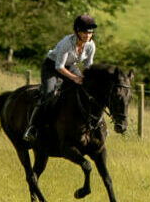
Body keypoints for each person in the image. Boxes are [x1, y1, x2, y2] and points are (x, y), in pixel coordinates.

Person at [24, 13, 97, 143]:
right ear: (77, 31)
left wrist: (89, 80)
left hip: (70, 67)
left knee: (86, 91)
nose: (88, 35)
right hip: (52, 67)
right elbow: (59, 67)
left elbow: (88, 66)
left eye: (90, 33)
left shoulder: (91, 45)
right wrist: (75, 78)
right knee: (49, 94)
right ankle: (32, 128)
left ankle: (91, 125)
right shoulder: (66, 43)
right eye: (85, 32)